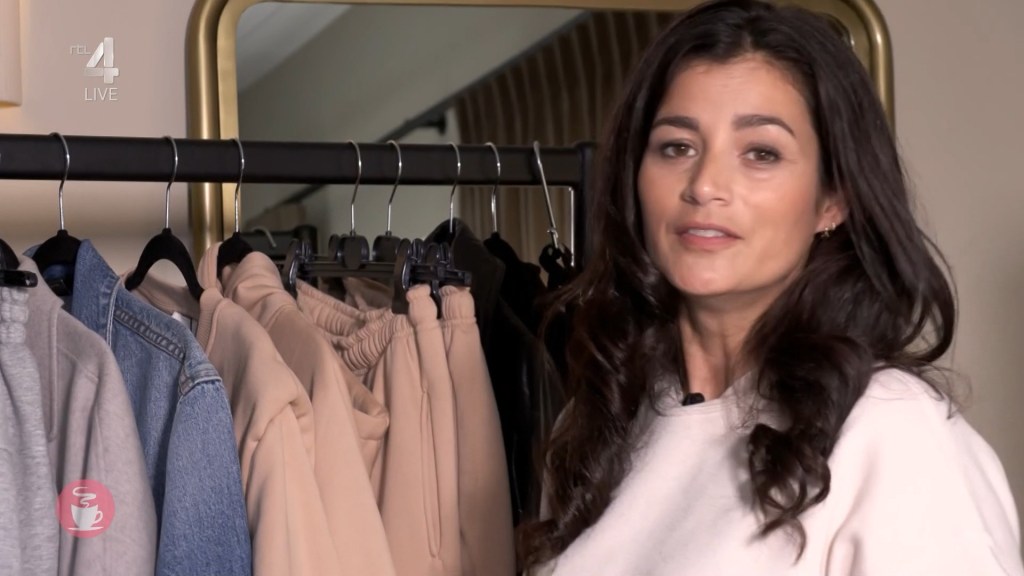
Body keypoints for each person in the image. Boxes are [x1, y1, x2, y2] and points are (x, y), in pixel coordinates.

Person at [518, 0, 1024, 574]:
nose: (704, 185)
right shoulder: (599, 425)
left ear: (832, 200)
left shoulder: (892, 430)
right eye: (676, 147)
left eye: (761, 153)